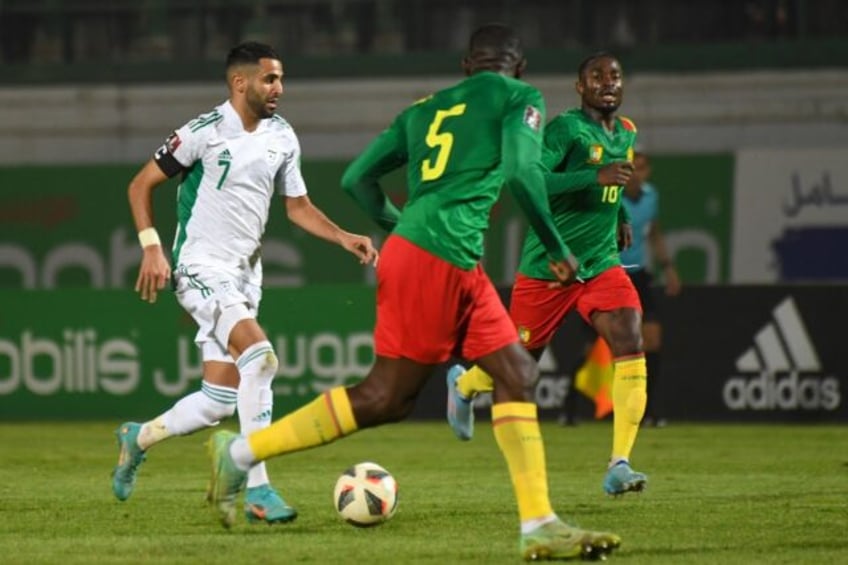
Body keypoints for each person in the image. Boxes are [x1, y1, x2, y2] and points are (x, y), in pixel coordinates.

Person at [206, 24, 621, 561]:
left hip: (446, 257)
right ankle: (240, 453)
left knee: (518, 373)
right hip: (437, 258)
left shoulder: (423, 109)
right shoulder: (521, 97)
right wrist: (556, 246)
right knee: (385, 398)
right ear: (518, 67)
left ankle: (538, 523)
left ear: (467, 67)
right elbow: (522, 173)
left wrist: (399, 227)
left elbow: (358, 178)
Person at [111, 41, 379, 525]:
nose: (279, 88)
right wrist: (152, 247)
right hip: (199, 267)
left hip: (244, 275)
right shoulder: (204, 132)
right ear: (240, 82)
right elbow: (139, 184)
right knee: (261, 357)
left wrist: (342, 237)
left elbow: (296, 205)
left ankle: (139, 436)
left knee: (218, 402)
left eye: (281, 79)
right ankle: (258, 488)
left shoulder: (282, 136)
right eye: (269, 79)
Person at [445, 51, 649, 497]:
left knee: (629, 337)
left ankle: (619, 463)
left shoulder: (627, 131)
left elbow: (610, 186)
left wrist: (617, 217)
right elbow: (531, 178)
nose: (608, 82)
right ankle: (464, 384)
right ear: (581, 87)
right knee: (521, 365)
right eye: (596, 76)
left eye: (615, 75)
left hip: (599, 264)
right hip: (549, 268)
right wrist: (593, 177)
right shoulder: (563, 129)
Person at [621, 150, 681, 427]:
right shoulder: (612, 196)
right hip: (612, 274)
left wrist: (668, 267)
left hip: (641, 276)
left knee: (653, 341)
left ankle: (647, 409)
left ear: (648, 172)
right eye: (632, 167)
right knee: (596, 348)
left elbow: (654, 232)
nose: (637, 173)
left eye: (642, 168)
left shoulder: (651, 196)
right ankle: (570, 408)